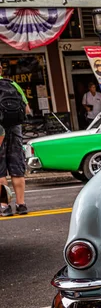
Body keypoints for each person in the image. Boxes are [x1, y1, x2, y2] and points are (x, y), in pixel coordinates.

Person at [0, 65, 31, 216]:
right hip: (15, 130)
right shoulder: (13, 85)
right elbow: (27, 110)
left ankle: (5, 206)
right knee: (17, 168)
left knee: (0, 172)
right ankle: (21, 204)